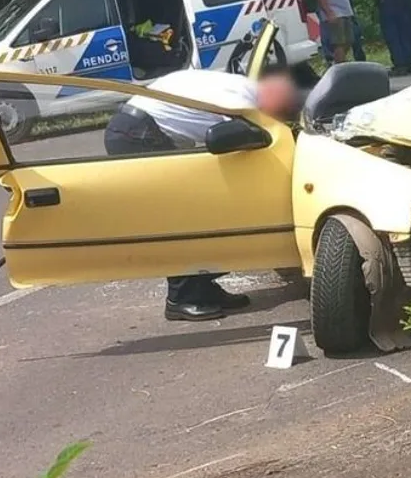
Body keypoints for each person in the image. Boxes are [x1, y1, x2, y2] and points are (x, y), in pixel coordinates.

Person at [102, 69, 302, 322]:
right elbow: (253, 143)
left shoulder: (242, 87)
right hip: (137, 135)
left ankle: (202, 288)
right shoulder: (242, 102)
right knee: (183, 220)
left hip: (138, 129)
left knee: (195, 214)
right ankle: (182, 297)